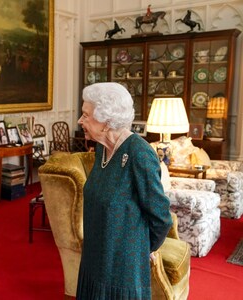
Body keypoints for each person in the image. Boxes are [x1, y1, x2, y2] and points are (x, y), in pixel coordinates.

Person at [76, 82, 172, 299]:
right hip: (94, 258)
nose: (80, 121)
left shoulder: (139, 154)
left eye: (86, 115)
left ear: (107, 121)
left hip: (121, 268)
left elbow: (161, 218)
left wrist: (139, 251)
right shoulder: (102, 148)